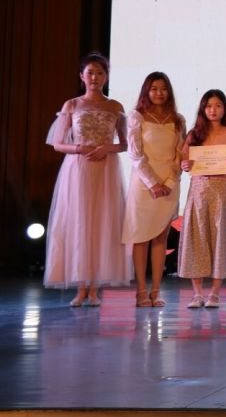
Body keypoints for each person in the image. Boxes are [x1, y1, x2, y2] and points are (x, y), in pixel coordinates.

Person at [44, 52, 131, 306]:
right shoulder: (71, 105)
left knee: (102, 223)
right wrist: (79, 148)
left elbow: (125, 144)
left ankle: (95, 288)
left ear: (106, 77)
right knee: (79, 223)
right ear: (82, 76)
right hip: (78, 169)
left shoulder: (115, 106)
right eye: (90, 73)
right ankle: (81, 287)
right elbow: (57, 144)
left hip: (105, 169)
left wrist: (107, 148)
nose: (95, 77)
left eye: (100, 73)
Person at [121, 72, 185, 307]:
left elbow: (180, 154)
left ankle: (156, 291)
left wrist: (169, 183)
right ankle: (141, 291)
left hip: (169, 185)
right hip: (143, 185)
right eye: (154, 88)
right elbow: (135, 154)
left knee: (160, 237)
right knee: (140, 238)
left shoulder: (178, 119)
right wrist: (152, 183)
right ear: (146, 91)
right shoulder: (136, 116)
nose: (159, 93)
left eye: (163, 88)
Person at [178, 90, 226, 308]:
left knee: (220, 239)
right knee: (196, 238)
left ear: (224, 109)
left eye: (217, 106)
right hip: (198, 191)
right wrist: (185, 165)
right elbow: (184, 161)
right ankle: (197, 293)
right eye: (208, 106)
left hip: (221, 191)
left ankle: (215, 293)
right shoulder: (194, 134)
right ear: (202, 109)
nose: (213, 110)